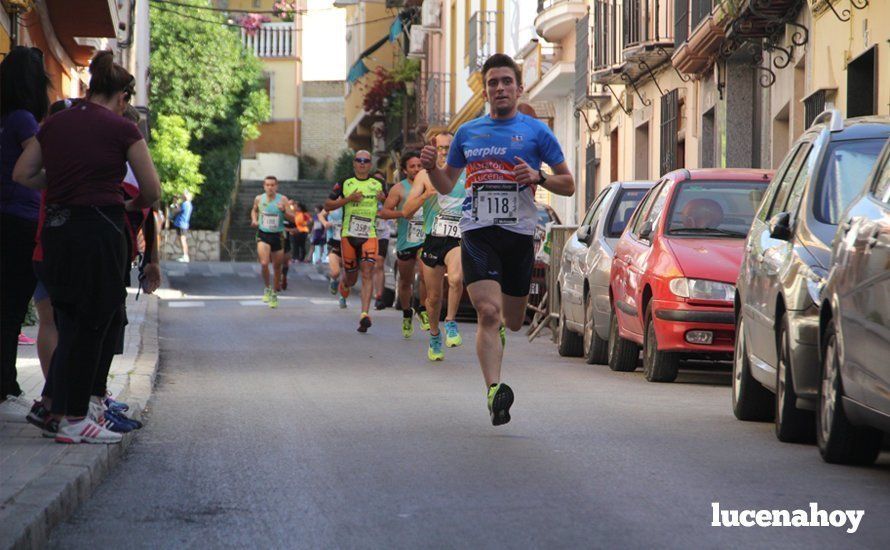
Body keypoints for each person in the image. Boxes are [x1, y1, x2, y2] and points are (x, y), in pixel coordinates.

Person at [14, 50, 162, 443]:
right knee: (92, 326)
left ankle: (57, 410)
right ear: (122, 97)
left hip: (56, 232)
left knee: (66, 322)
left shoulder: (55, 123)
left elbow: (22, 173)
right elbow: (152, 190)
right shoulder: (122, 129)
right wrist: (124, 202)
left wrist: (61, 185)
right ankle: (76, 418)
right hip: (99, 231)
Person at [419, 53, 575, 425]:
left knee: (514, 320)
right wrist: (431, 168)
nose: (500, 88)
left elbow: (568, 184)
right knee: (488, 312)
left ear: (519, 88)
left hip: (518, 235)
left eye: (507, 81)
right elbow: (445, 185)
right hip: (476, 231)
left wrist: (538, 178)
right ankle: (494, 391)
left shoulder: (537, 133)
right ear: (486, 91)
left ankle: (499, 337)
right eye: (493, 82)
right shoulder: (468, 133)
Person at [0, 46, 50, 416]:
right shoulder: (22, 121)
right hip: (19, 218)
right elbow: (40, 160)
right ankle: (5, 381)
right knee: (13, 304)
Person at [404, 134, 466, 360]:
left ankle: (450, 322)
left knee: (456, 279)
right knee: (433, 297)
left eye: (449, 147)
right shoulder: (424, 175)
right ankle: (434, 334)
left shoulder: (466, 171)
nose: (444, 151)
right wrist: (425, 197)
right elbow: (407, 211)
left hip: (457, 237)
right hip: (433, 237)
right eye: (440, 147)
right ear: (434, 148)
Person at [323, 150, 385, 332]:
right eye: (359, 160)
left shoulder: (378, 183)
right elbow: (327, 204)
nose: (363, 163)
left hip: (369, 234)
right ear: (354, 163)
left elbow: (390, 205)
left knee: (367, 272)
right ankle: (343, 283)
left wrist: (385, 199)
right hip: (348, 235)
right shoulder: (345, 183)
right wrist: (348, 199)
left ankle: (364, 315)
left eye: (366, 160)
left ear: (370, 164)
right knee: (351, 278)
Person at [378, 151, 428, 338]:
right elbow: (384, 213)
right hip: (406, 239)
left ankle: (422, 309)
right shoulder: (399, 189)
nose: (416, 169)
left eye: (419, 165)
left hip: (426, 238)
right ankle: (407, 313)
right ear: (405, 169)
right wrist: (403, 213)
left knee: (425, 275)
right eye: (412, 166)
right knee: (405, 281)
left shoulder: (431, 185)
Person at [250, 175, 294, 309]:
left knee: (277, 266)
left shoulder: (283, 199)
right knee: (264, 263)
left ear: (276, 186)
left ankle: (274, 293)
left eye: (272, 185)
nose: (270, 187)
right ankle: (267, 288)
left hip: (278, 235)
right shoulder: (259, 198)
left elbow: (293, 219)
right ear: (264, 186)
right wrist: (254, 220)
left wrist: (283, 211)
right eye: (267, 185)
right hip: (263, 234)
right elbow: (254, 210)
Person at [319, 207, 346, 307]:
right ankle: (333, 279)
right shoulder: (333, 203)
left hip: (349, 243)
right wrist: (325, 223)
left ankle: (343, 297)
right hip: (333, 241)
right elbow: (321, 215)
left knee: (347, 274)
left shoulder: (353, 203)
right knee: (336, 272)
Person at [170, 190, 193, 262]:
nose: (182, 196)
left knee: (182, 239)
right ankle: (185, 255)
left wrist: (175, 204)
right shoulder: (189, 204)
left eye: (183, 195)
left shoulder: (185, 204)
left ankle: (185, 256)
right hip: (183, 224)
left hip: (181, 224)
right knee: (182, 239)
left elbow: (176, 211)